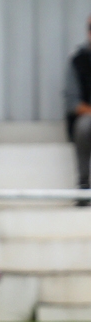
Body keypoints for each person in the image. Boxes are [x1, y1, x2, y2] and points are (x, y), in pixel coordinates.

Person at [64, 15, 91, 205]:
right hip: (87, 115)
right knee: (84, 127)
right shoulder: (78, 60)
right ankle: (84, 187)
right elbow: (73, 103)